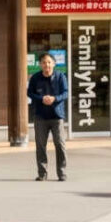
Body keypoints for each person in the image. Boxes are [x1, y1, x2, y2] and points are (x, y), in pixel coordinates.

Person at [29, 51, 70, 182]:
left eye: (49, 62)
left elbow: (66, 93)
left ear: (53, 63)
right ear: (40, 64)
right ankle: (42, 174)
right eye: (44, 62)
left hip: (57, 116)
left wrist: (54, 98)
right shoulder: (35, 78)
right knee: (41, 145)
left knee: (60, 144)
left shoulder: (60, 77)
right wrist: (42, 99)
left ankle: (62, 173)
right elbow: (29, 93)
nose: (46, 65)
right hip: (40, 116)